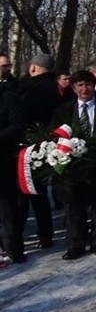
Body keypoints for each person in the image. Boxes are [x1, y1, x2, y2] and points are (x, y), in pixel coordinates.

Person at [51, 70, 96, 259]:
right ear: (74, 88)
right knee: (74, 207)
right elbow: (54, 139)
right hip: (72, 168)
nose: (84, 89)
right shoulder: (62, 112)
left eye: (88, 84)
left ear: (94, 86)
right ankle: (76, 244)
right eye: (80, 85)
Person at [18, 53, 63, 249]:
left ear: (33, 68)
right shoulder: (54, 88)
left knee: (28, 189)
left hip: (29, 145)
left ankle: (30, 233)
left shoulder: (32, 89)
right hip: (45, 142)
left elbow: (24, 116)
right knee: (39, 192)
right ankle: (45, 233)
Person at [0, 88, 25, 263]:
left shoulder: (8, 97)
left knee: (8, 210)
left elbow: (17, 125)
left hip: (2, 161)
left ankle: (13, 249)